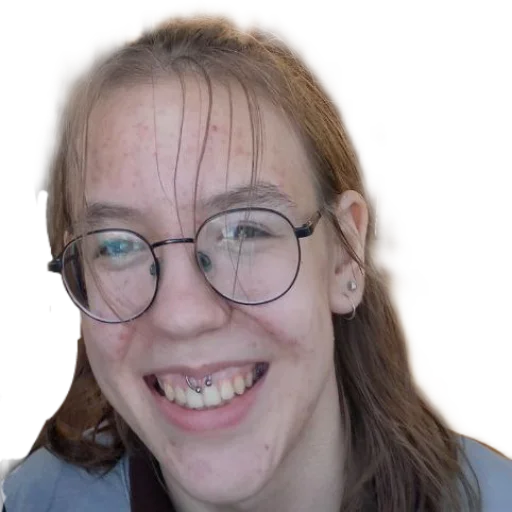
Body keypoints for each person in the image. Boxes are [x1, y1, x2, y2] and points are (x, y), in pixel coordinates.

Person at [2, 5, 511, 511]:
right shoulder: (32, 502)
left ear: (344, 255)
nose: (182, 315)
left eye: (243, 230)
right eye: (117, 245)